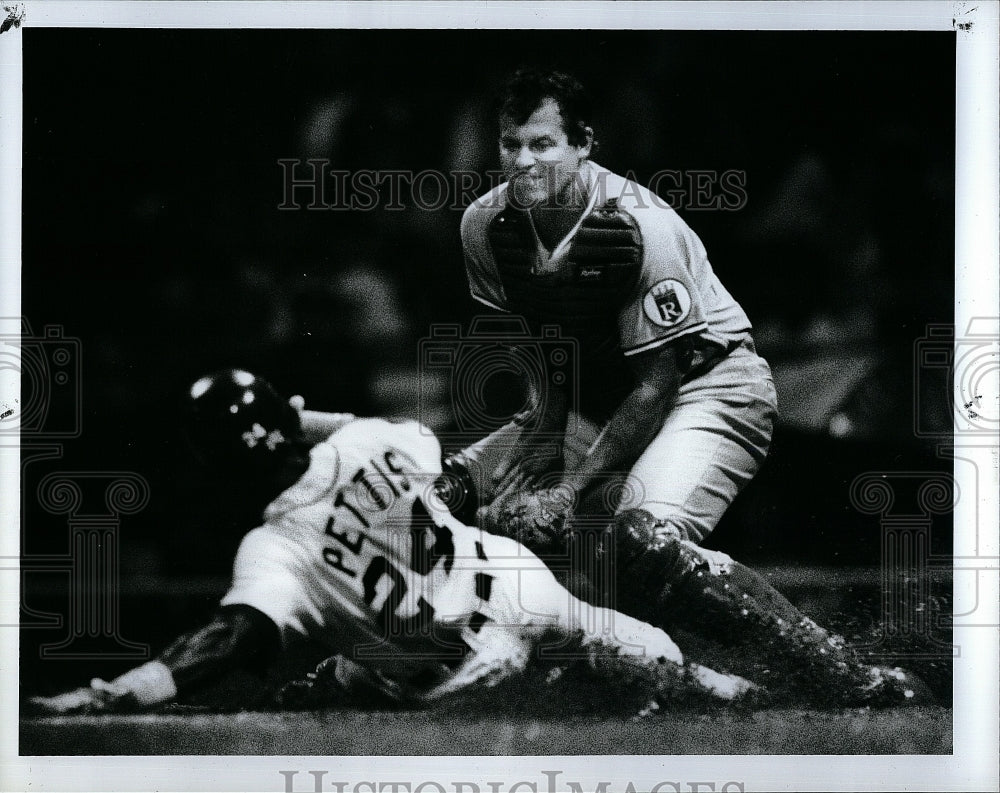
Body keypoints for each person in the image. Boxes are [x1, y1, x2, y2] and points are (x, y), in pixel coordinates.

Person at [27, 369, 758, 716]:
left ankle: (340, 682)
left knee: (347, 682)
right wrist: (295, 413)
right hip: (518, 587)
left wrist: (117, 688)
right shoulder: (369, 438)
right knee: (665, 669)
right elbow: (413, 455)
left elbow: (231, 637)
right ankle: (724, 686)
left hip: (464, 671)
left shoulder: (272, 547)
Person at [456, 68, 778, 545]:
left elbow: (657, 386)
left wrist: (568, 488)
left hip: (706, 386)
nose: (522, 161)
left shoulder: (638, 227)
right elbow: (542, 336)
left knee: (643, 543)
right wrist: (546, 423)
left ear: (583, 143)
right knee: (447, 499)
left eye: (542, 145)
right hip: (600, 397)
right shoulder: (484, 224)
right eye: (510, 145)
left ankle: (789, 626)